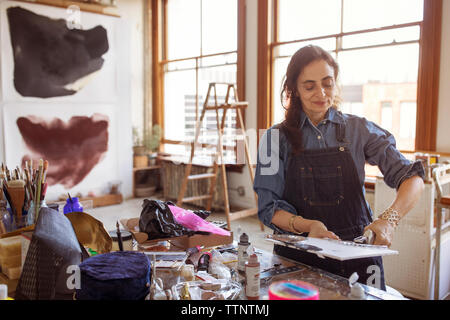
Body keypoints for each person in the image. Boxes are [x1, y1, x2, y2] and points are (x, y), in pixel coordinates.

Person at [253, 45, 425, 290]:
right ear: (294, 90)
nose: (321, 93)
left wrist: (390, 219)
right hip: (299, 256)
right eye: (309, 86)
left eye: (327, 83)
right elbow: (268, 209)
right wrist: (310, 226)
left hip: (358, 254)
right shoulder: (273, 140)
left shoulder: (360, 130)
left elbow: (413, 176)